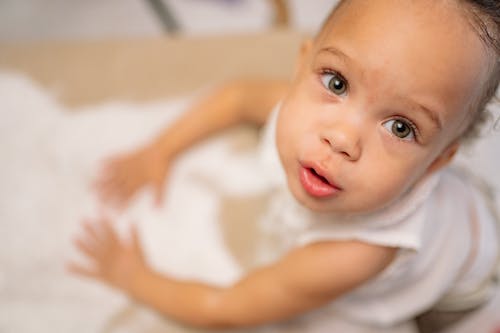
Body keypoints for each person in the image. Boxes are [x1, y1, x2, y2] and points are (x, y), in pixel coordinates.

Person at [68, 0, 500, 331]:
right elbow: (236, 98)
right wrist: (160, 149)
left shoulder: (358, 253)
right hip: (463, 209)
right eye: (338, 82)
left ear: (436, 162)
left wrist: (135, 277)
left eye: (401, 127)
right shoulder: (306, 109)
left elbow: (229, 308)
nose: (342, 138)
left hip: (467, 275)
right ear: (303, 64)